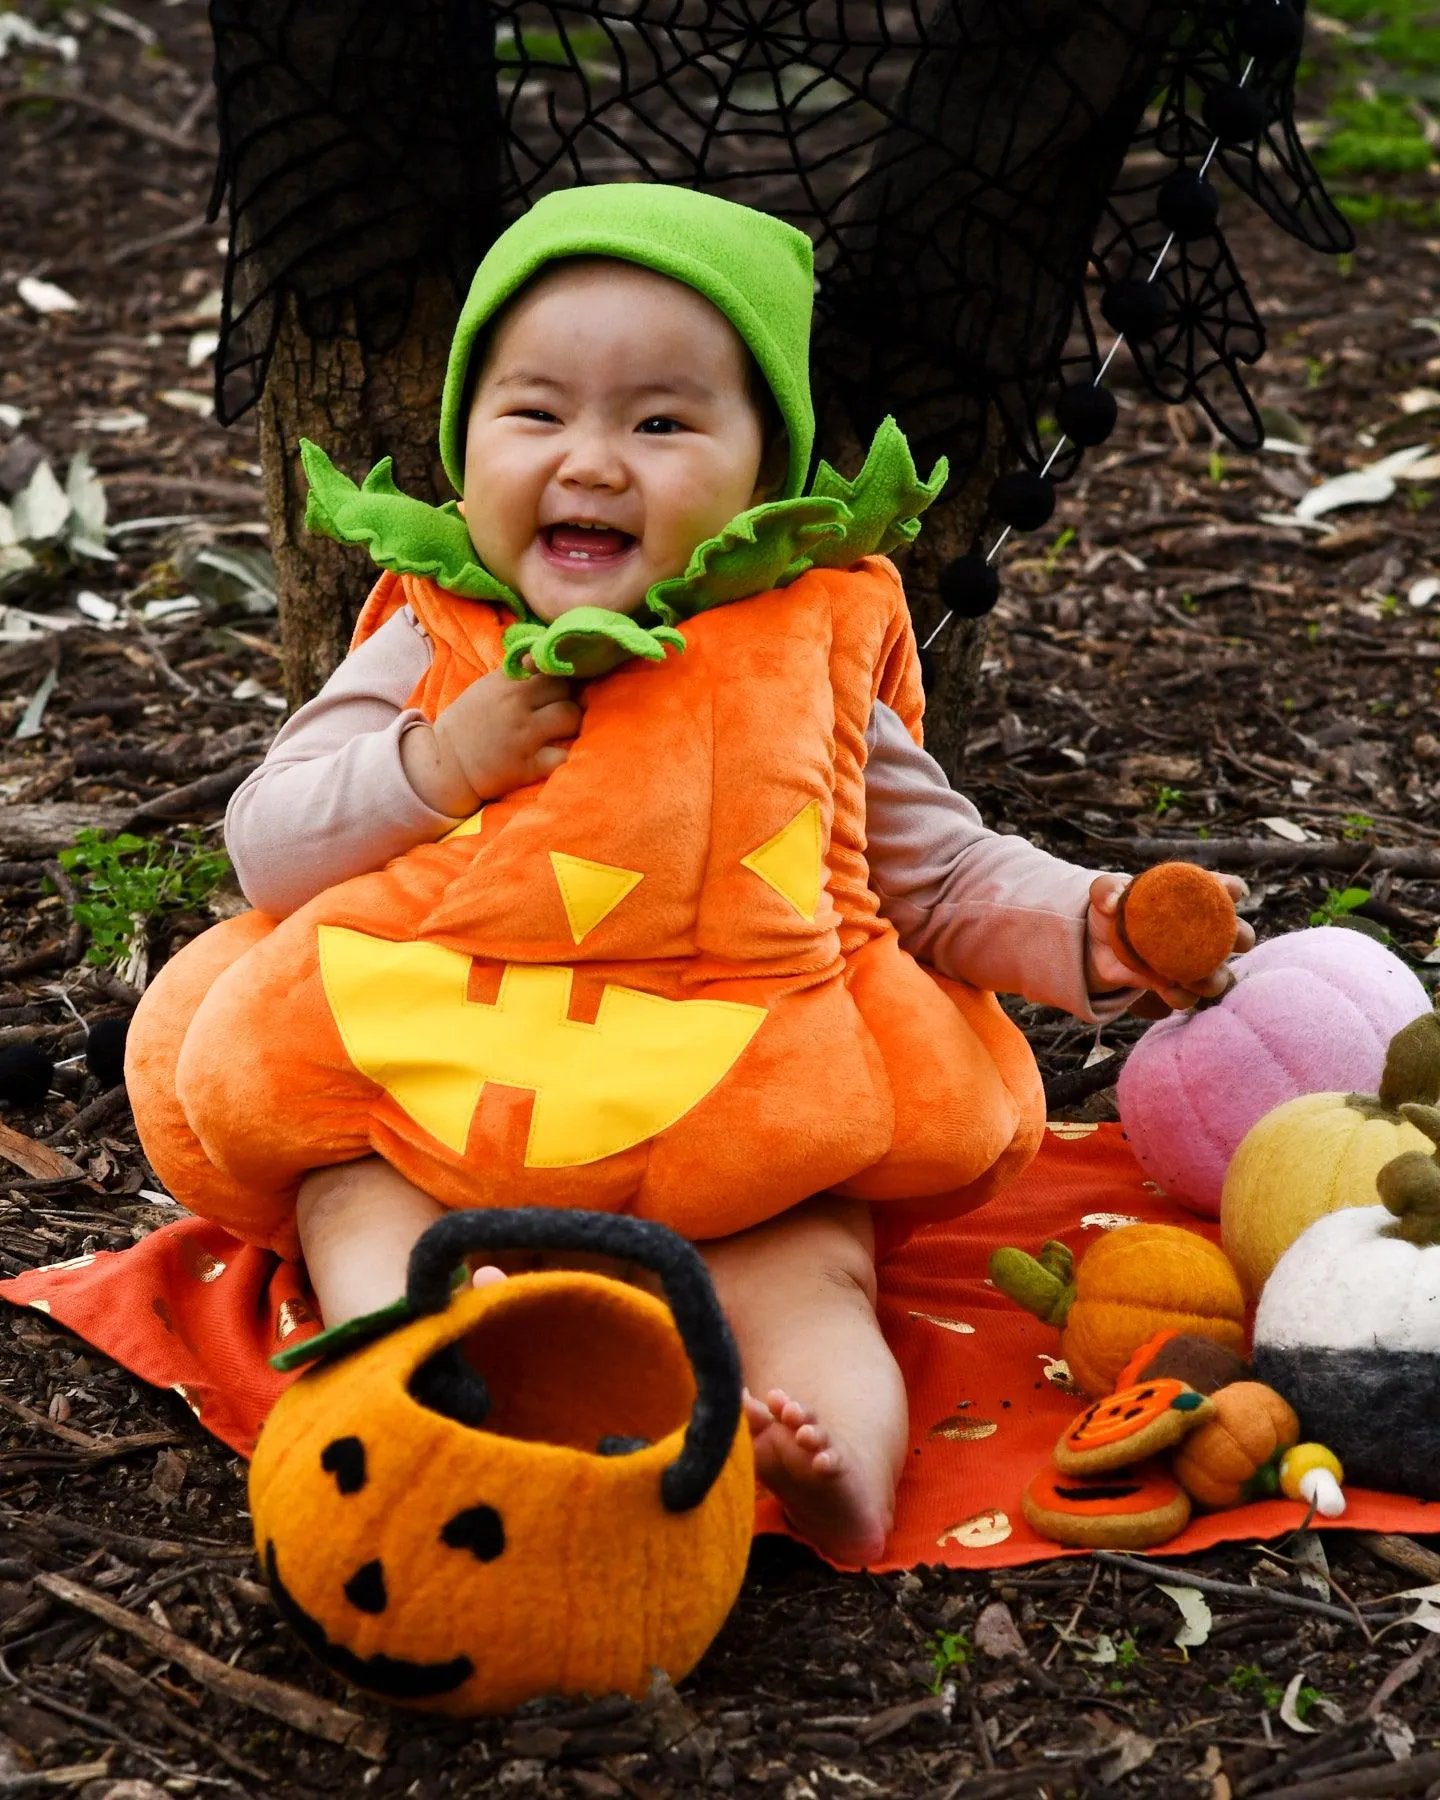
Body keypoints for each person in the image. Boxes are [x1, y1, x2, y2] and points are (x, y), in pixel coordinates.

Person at [137, 185, 1249, 1563]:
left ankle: (832, 1471)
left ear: (761, 472)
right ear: (464, 445)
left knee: (817, 1275)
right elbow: (270, 844)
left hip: (740, 1135)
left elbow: (941, 878)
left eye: (661, 423)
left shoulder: (809, 657)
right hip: (444, 1107)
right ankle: (421, 1357)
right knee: (348, 1196)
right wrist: (439, 763)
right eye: (536, 414)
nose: (592, 462)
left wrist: (1096, 929)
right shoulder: (435, 636)